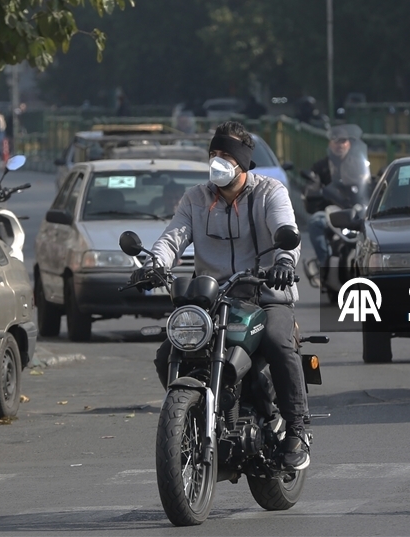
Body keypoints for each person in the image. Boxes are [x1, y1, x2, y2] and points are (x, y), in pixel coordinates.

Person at [129, 121, 310, 471]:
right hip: (212, 300)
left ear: (242, 161)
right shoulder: (195, 198)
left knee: (277, 340)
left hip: (266, 294)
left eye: (225, 155)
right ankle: (194, 419)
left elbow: (286, 230)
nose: (217, 161)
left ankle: (297, 429)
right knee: (168, 352)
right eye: (213, 154)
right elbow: (172, 238)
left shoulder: (270, 192)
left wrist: (284, 262)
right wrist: (153, 264)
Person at [305, 124, 370, 287]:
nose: (340, 145)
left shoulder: (359, 164)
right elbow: (312, 186)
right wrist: (314, 190)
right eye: (336, 141)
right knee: (315, 222)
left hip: (355, 210)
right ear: (330, 144)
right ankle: (324, 264)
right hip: (330, 212)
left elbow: (369, 184)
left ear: (349, 143)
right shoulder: (321, 166)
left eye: (343, 141)